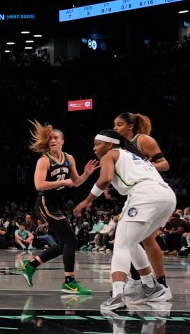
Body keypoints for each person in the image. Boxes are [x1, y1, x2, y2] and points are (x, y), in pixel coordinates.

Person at [74, 129, 176, 310]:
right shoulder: (136, 156)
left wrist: (86, 201)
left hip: (144, 194)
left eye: (97, 144)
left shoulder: (110, 154)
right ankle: (152, 287)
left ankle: (118, 294)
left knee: (120, 244)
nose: (94, 148)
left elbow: (105, 178)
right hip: (167, 196)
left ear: (109, 144)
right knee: (131, 241)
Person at [20, 120, 98, 295]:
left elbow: (76, 182)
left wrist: (86, 174)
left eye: (56, 138)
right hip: (45, 202)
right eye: (50, 139)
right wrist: (62, 181)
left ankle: (30, 265)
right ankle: (69, 282)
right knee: (71, 240)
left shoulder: (69, 158)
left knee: (65, 243)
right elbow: (38, 185)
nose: (52, 140)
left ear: (62, 141)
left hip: (58, 203)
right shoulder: (44, 160)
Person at [112, 111, 172, 299]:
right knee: (134, 239)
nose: (115, 128)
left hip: (151, 191)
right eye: (114, 125)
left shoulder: (143, 140)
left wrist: (144, 167)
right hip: (137, 194)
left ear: (130, 126)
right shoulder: (120, 147)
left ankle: (159, 284)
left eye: (119, 124)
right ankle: (142, 282)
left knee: (144, 239)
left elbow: (164, 164)